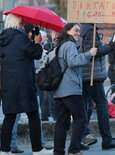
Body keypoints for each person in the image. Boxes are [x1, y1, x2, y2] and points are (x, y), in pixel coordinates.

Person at [0, 14, 53, 155]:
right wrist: (36, 42)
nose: (25, 24)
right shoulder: (20, 38)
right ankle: (37, 149)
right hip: (24, 83)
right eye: (23, 22)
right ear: (19, 23)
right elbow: (35, 53)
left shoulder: (4, 39)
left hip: (8, 84)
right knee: (33, 115)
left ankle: (4, 150)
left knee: (10, 116)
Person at [52, 23, 97, 155]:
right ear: (67, 31)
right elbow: (73, 62)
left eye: (79, 31)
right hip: (70, 89)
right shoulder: (70, 44)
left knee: (61, 122)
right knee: (80, 119)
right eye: (76, 30)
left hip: (59, 89)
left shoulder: (59, 45)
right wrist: (89, 54)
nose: (78, 33)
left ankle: (58, 151)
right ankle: (74, 150)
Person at [79, 23, 115, 149]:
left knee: (86, 106)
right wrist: (110, 46)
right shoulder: (89, 29)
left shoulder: (83, 27)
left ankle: (81, 137)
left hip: (85, 74)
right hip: (91, 75)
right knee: (102, 104)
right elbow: (93, 52)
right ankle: (107, 139)